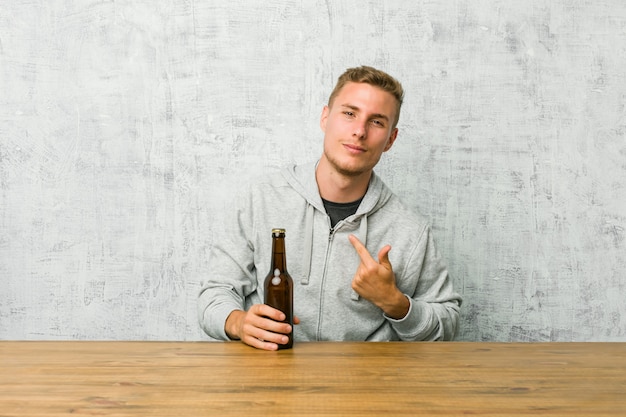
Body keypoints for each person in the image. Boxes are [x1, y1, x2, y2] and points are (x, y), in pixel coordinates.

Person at [198, 65, 462, 350]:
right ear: (325, 118)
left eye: (377, 122)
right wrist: (238, 322)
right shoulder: (262, 199)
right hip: (269, 379)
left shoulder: (410, 230)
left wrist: (395, 303)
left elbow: (447, 323)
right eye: (349, 113)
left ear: (391, 140)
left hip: (364, 387)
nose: (359, 131)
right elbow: (214, 293)